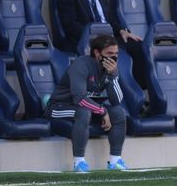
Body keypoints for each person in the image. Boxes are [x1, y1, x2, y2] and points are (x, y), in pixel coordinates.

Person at [57, 0, 149, 93]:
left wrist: (122, 31)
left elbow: (109, 19)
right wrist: (94, 35)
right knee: (116, 55)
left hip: (109, 36)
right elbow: (70, 25)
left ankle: (138, 94)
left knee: (138, 46)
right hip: (87, 39)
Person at [46, 35, 127, 172]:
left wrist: (112, 76)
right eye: (109, 53)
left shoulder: (111, 69)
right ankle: (79, 163)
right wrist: (102, 111)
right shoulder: (81, 65)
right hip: (59, 107)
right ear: (97, 53)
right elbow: (80, 99)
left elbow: (117, 100)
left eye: (116, 54)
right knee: (83, 112)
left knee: (119, 112)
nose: (113, 58)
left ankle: (115, 161)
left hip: (88, 108)